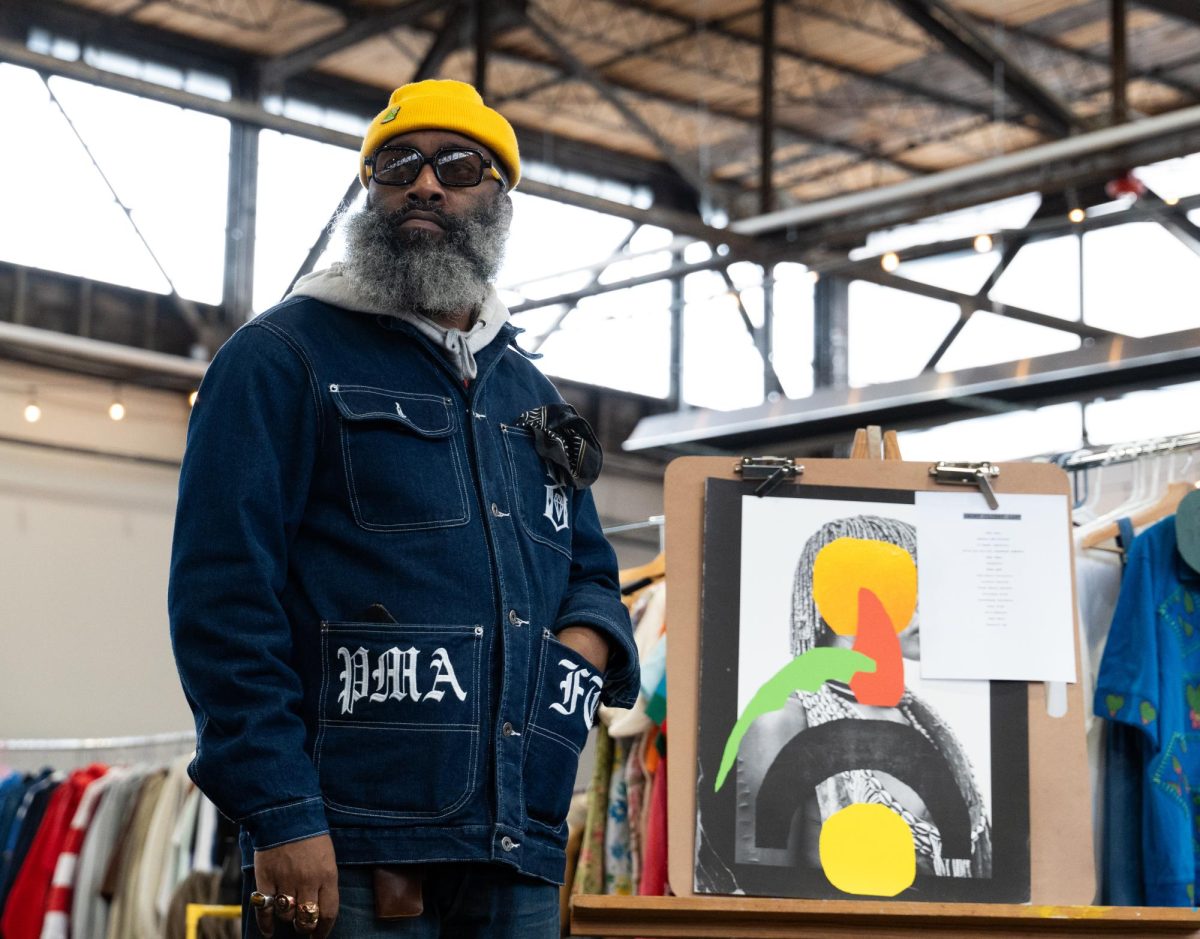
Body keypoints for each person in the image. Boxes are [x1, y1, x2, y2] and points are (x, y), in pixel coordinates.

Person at [168, 79, 639, 938]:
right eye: (397, 164)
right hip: (344, 848)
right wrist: (280, 808)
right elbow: (222, 600)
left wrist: (554, 717)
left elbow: (592, 575)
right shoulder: (280, 358)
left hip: (518, 846)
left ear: (500, 197)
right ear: (370, 191)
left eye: (458, 165)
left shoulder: (534, 396)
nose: (425, 183)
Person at [733, 514, 992, 883]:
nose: (927, 610)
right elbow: (755, 896)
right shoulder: (783, 723)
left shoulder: (927, 724)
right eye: (903, 589)